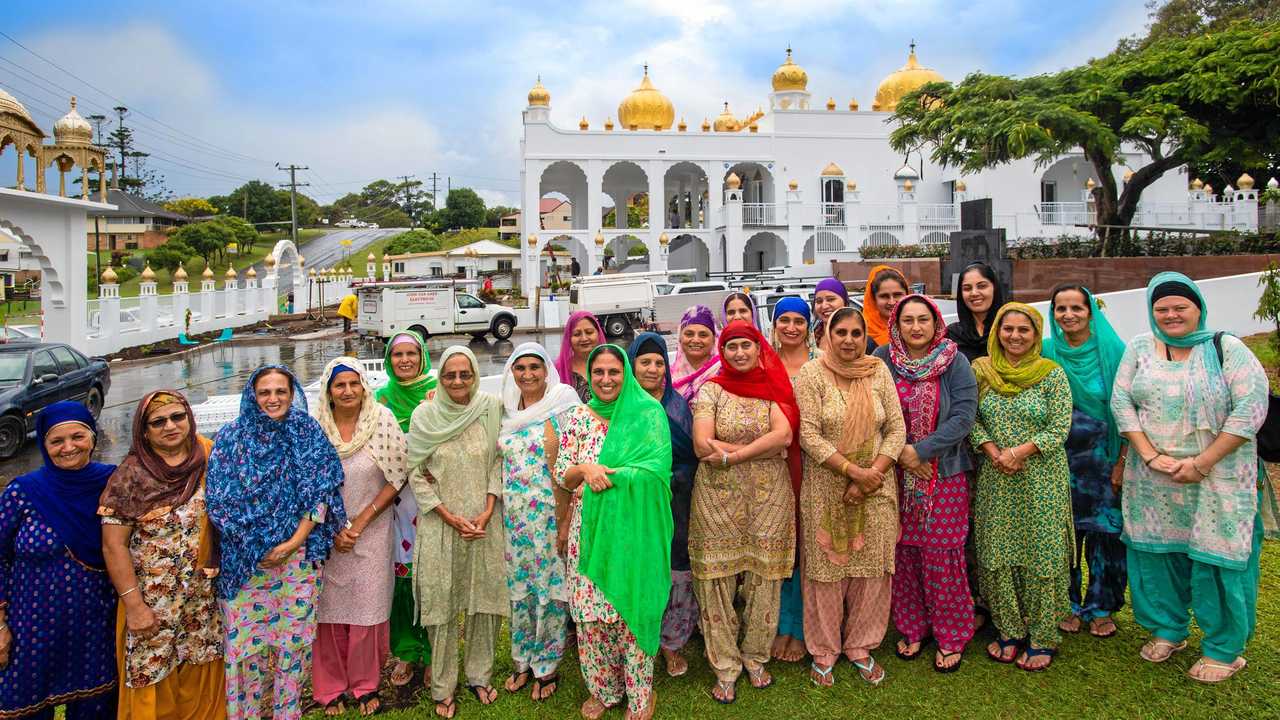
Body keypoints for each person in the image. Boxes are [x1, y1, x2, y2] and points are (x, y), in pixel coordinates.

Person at [1111, 272, 1268, 683]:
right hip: (1153, 477)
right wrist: (1148, 455)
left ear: (1198, 307)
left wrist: (1201, 463)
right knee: (1157, 555)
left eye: (1180, 307)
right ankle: (1169, 629)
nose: (1171, 315)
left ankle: (1223, 648)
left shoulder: (1226, 349)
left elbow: (1250, 408)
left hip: (1220, 476)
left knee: (1219, 559)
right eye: (1162, 309)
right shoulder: (1141, 348)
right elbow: (1121, 400)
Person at [206, 365, 347, 720]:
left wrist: (293, 542)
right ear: (252, 395)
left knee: (291, 649)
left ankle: (288, 714)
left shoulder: (306, 433)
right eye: (265, 392)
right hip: (246, 565)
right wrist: (258, 547)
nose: (273, 399)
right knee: (245, 654)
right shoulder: (231, 438)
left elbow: (321, 493)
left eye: (280, 392)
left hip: (297, 561)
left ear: (292, 392)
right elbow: (220, 501)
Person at [554, 345, 672, 720]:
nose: (606, 380)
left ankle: (641, 696)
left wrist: (615, 475)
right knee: (590, 619)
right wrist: (587, 469)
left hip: (634, 534)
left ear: (627, 375)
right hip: (588, 532)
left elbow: (658, 472)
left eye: (614, 372)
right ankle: (604, 690)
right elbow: (562, 473)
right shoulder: (575, 418)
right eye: (599, 372)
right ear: (589, 374)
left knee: (629, 611)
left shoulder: (648, 414)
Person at [794, 307, 905, 687]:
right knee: (826, 572)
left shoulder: (878, 371)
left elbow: (896, 429)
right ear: (825, 334)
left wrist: (873, 472)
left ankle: (861, 645)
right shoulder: (811, 374)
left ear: (865, 336)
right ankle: (824, 649)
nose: (848, 340)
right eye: (840, 332)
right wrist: (853, 472)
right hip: (827, 489)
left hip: (876, 487)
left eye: (856, 333)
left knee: (872, 570)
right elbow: (808, 435)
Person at [99, 391, 225, 720]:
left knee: (202, 663)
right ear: (144, 430)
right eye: (158, 422)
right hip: (152, 602)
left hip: (203, 597)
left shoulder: (209, 456)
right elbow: (114, 546)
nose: (170, 426)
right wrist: (135, 606)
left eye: (177, 417)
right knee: (151, 671)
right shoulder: (131, 476)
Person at [690, 321, 798, 703]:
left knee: (764, 580)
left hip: (769, 499)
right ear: (723, 350)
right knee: (715, 580)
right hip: (716, 499)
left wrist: (733, 454)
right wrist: (758, 447)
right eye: (731, 346)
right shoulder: (711, 390)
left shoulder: (773, 387)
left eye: (746, 346)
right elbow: (701, 444)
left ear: (758, 349)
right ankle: (724, 666)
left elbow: (784, 436)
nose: (739, 353)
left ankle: (754, 658)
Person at [873, 295, 978, 672]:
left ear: (936, 323)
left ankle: (951, 633)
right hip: (894, 472)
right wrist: (903, 452)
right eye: (907, 320)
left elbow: (964, 415)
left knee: (941, 556)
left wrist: (924, 451)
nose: (916, 328)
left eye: (923, 320)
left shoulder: (954, 360)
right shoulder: (884, 359)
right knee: (904, 554)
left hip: (944, 473)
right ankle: (913, 626)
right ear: (896, 324)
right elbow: (874, 411)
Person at [970, 304, 1072, 672]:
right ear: (997, 331)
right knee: (997, 553)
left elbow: (1060, 426)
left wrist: (1019, 452)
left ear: (1035, 334)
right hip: (996, 476)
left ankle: (1043, 636)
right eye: (1007, 329)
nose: (1014, 336)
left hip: (1040, 477)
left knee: (1041, 553)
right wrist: (994, 451)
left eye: (1023, 330)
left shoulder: (1051, 374)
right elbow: (972, 418)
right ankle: (1009, 630)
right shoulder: (982, 371)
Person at [406, 346, 507, 718]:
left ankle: (479, 676)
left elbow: (499, 459)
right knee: (442, 607)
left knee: (484, 603)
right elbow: (415, 471)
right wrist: (449, 516)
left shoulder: (490, 408)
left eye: (465, 374)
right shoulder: (425, 415)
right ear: (440, 377)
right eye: (450, 375)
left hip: (484, 523)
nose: (458, 381)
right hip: (441, 526)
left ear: (475, 374)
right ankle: (443, 687)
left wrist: (488, 508)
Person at [0, 402, 117, 719]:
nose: (68, 448)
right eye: (56, 441)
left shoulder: (114, 484)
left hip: (95, 631)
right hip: (30, 634)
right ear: (43, 444)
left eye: (78, 436)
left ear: (92, 438)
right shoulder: (23, 492)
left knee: (96, 710)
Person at [312, 359, 409, 716]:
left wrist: (361, 522)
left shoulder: (381, 420)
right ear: (329, 391)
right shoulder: (316, 427)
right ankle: (329, 687)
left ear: (364, 386)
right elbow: (308, 484)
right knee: (330, 614)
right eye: (340, 385)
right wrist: (335, 527)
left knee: (368, 610)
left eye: (354, 383)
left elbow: (398, 476)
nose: (348, 391)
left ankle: (365, 685)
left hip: (373, 528)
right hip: (326, 532)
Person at [1042, 285, 1129, 640]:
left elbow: (1127, 410)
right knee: (1064, 536)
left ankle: (1102, 607)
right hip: (1057, 461)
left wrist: (1122, 461)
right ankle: (1068, 604)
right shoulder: (1046, 352)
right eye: (1061, 309)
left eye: (1076, 308)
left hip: (1103, 460)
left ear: (1090, 311)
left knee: (1105, 536)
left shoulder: (1114, 351)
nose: (1068, 315)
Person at [496, 343, 579, 701]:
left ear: (547, 370)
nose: (527, 374)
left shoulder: (562, 406)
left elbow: (575, 461)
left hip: (549, 518)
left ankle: (546, 667)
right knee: (521, 592)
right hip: (514, 523)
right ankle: (522, 661)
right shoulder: (506, 414)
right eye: (520, 368)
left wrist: (565, 522)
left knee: (550, 592)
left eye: (535, 367)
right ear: (511, 373)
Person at [628, 332, 698, 677]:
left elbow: (691, 455)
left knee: (675, 571)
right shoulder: (623, 407)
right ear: (633, 365)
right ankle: (642, 642)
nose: (653, 368)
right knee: (642, 572)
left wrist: (671, 479)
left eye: (659, 362)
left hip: (676, 502)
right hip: (635, 505)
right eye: (645, 362)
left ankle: (672, 643)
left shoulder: (677, 404)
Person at [374, 331, 436, 690]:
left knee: (432, 578)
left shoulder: (437, 391)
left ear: (423, 355)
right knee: (400, 578)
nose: (405, 360)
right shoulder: (380, 400)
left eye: (412, 353)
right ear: (388, 359)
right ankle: (406, 650)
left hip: (432, 499)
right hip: (393, 501)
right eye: (397, 355)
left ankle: (433, 651)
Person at [768, 296, 817, 664]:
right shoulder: (763, 364)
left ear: (808, 325)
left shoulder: (820, 365)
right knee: (778, 541)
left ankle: (800, 627)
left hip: (812, 463)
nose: (791, 327)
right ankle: (778, 624)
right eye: (783, 320)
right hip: (772, 463)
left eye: (798, 321)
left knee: (805, 543)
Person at [947, 262, 1006, 362]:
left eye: (982, 286)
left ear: (994, 288)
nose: (974, 293)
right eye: (967, 288)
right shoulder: (951, 335)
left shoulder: (1009, 330)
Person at [671, 305, 720, 403]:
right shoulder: (667, 377)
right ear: (680, 338)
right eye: (689, 334)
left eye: (703, 335)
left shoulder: (723, 372)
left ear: (714, 339)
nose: (696, 340)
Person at [556, 311, 605, 402]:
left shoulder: (612, 365)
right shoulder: (558, 371)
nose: (584, 338)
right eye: (577, 334)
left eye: (589, 332)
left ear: (598, 333)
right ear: (569, 338)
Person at [861, 265, 908, 351]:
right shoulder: (860, 336)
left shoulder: (919, 329)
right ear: (873, 299)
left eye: (897, 295)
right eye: (884, 296)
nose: (892, 302)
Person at [811, 278, 849, 352]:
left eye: (830, 299)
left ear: (845, 302)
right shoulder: (811, 338)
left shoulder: (858, 335)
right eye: (819, 301)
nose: (824, 306)